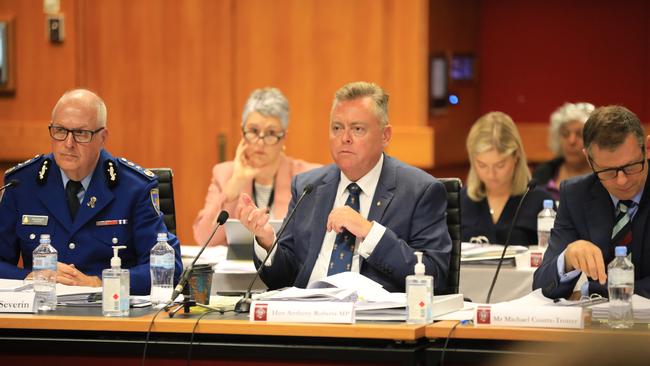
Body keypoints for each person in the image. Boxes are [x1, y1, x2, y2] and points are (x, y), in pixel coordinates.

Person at [237, 81, 452, 293]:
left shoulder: (419, 190)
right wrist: (267, 241)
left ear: (385, 135)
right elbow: (284, 278)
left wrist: (369, 232)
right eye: (337, 128)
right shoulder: (308, 187)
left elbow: (435, 277)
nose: (345, 138)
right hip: (307, 317)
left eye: (357, 129)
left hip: (373, 322)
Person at [0, 89, 182, 295]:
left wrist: (100, 283)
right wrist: (29, 277)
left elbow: (170, 268)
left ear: (102, 137)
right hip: (41, 312)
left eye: (81, 133)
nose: (68, 144)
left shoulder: (134, 187)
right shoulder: (22, 184)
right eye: (60, 130)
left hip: (109, 315)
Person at [533, 105, 650, 299]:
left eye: (631, 166)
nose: (622, 180)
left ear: (647, 149)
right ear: (589, 159)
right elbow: (541, 287)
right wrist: (568, 258)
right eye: (607, 171)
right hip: (600, 325)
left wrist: (591, 290)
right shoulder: (576, 195)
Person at [193, 87, 320, 246]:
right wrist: (235, 185)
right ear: (242, 132)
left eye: (271, 133)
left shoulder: (308, 178)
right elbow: (204, 240)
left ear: (284, 138)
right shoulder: (224, 173)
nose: (260, 142)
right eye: (253, 131)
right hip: (237, 269)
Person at [461, 112, 551, 246]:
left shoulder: (540, 203)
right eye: (482, 165)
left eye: (500, 165)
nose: (491, 174)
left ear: (516, 156)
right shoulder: (459, 201)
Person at [532, 102, 594, 202]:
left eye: (579, 134)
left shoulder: (603, 177)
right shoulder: (543, 173)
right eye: (565, 134)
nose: (571, 141)